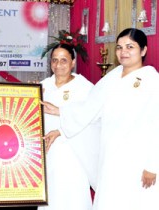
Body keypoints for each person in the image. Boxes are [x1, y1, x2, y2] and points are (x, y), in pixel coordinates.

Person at [42, 28, 159, 210]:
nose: (123, 52)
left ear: (143, 50)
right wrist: (60, 111)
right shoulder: (112, 77)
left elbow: (156, 124)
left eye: (130, 47)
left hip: (138, 159)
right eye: (119, 47)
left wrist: (152, 165)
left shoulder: (152, 80)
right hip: (111, 155)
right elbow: (90, 108)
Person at [38, 44, 99, 210]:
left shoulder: (85, 88)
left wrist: (60, 132)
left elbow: (93, 120)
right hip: (47, 154)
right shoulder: (42, 86)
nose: (58, 65)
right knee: (49, 199)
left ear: (73, 62)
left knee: (73, 200)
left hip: (73, 155)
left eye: (64, 60)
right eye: (55, 60)